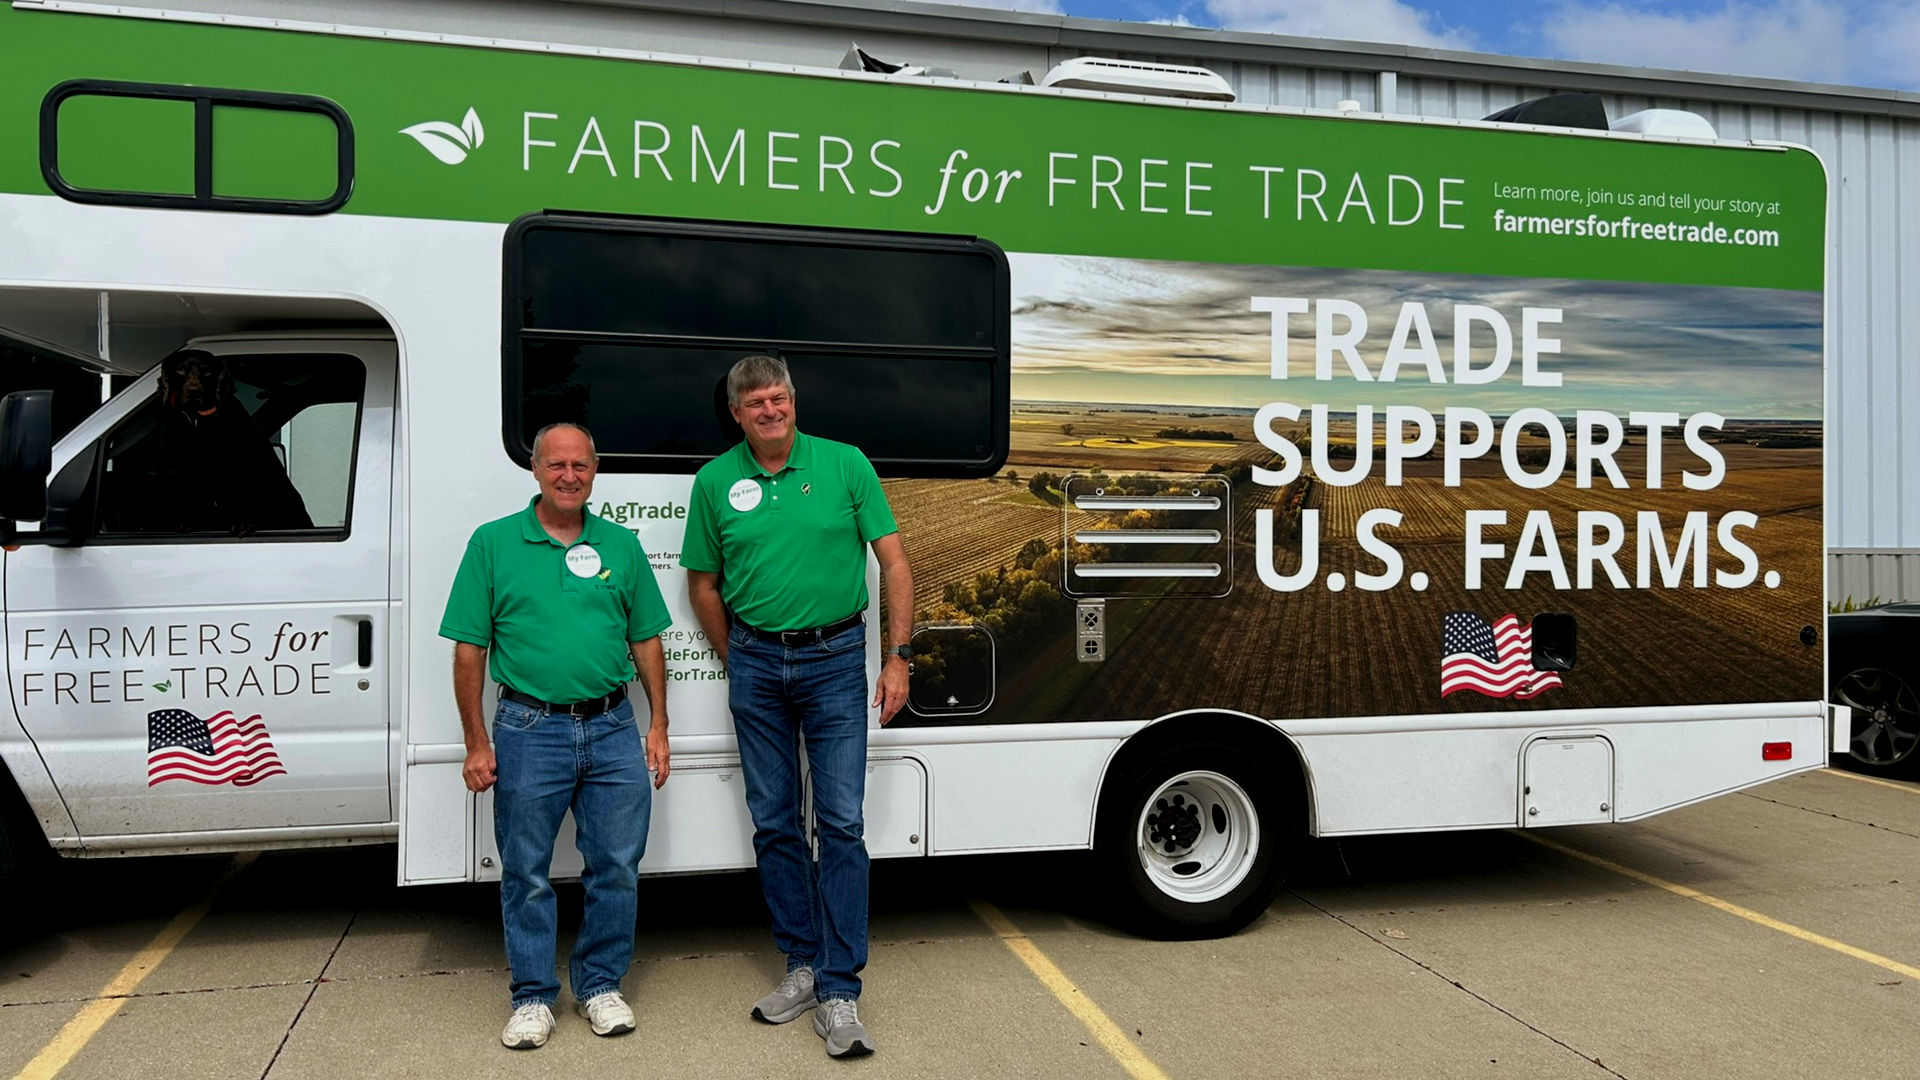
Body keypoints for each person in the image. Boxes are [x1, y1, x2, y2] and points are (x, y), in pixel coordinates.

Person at [684, 355, 912, 1060]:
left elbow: (895, 563)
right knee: (775, 820)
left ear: (793, 401)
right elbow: (703, 583)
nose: (770, 409)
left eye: (778, 397)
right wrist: (736, 655)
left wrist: (898, 656)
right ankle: (803, 965)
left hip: (837, 658)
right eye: (755, 402)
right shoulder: (716, 480)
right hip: (756, 660)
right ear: (737, 413)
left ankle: (840, 989)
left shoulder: (845, 465)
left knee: (840, 821)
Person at [440, 422, 672, 1050]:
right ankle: (534, 997)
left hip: (613, 726)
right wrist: (475, 741)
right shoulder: (492, 544)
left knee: (617, 866)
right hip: (526, 728)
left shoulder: (621, 546)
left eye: (581, 466)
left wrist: (659, 725)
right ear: (535, 469)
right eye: (557, 465)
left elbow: (647, 639)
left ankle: (599, 985)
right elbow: (469, 651)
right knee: (526, 871)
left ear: (595, 472)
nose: (569, 476)